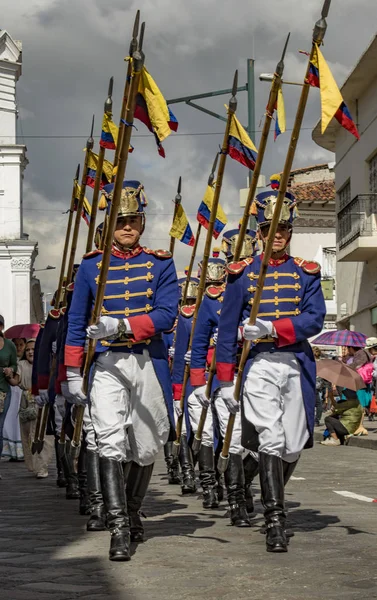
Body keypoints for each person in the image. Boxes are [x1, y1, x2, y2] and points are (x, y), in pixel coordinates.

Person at [64, 180, 179, 561]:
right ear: (110, 223)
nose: (127, 227)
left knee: (147, 445)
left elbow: (166, 314)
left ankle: (131, 510)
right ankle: (118, 527)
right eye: (121, 220)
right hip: (107, 363)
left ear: (142, 223)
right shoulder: (91, 267)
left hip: (147, 358)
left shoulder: (160, 263)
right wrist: (72, 371)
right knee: (110, 439)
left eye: (134, 220)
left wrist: (124, 325)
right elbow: (76, 321)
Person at [216, 176, 326, 553]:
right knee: (271, 438)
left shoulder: (305, 271)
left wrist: (274, 326)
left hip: (295, 360)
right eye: (268, 228)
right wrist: (226, 380)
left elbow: (314, 318)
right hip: (259, 363)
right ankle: (275, 520)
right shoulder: (242, 273)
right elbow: (228, 327)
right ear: (259, 233)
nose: (276, 234)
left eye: (282, 228)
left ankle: (252, 483)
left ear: (289, 230)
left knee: (293, 445)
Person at [190, 228, 258, 527]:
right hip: (225, 378)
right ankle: (236, 501)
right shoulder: (212, 299)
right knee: (233, 442)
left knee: (262, 444)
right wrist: (197, 383)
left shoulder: (263, 285)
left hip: (259, 372)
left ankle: (244, 484)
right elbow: (199, 343)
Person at [0, 322, 18, 478]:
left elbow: (14, 364)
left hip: (3, 391)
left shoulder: (9, 345)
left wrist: (10, 370)